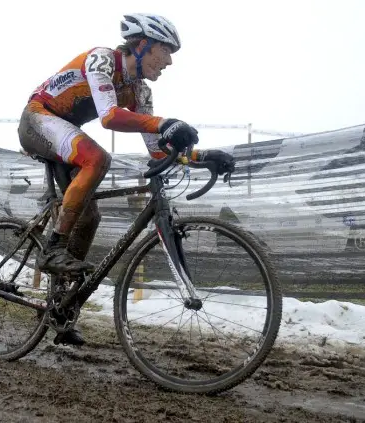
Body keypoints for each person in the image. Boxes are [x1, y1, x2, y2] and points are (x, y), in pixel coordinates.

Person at [18, 13, 235, 345]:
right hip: (38, 118)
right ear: (143, 45)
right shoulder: (103, 59)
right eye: (165, 50)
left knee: (89, 216)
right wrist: (164, 123)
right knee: (97, 158)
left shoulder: (140, 93)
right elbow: (109, 117)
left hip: (64, 132)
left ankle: (58, 307)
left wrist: (202, 157)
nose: (170, 61)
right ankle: (52, 250)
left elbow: (158, 151)